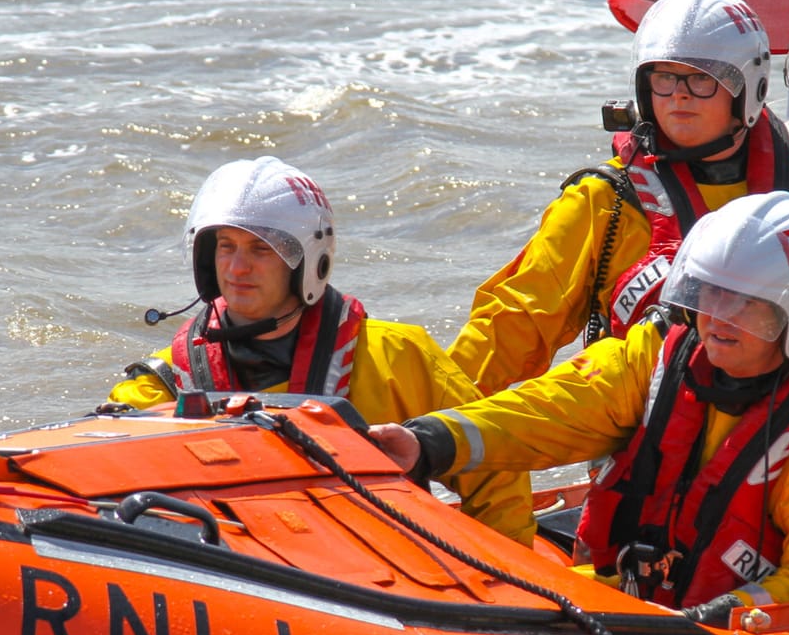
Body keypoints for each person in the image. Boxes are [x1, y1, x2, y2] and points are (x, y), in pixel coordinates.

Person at [371, 192, 789, 615]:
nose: (717, 318)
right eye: (708, 294)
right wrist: (429, 440)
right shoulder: (661, 355)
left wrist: (714, 620)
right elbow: (556, 408)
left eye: (745, 305)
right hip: (646, 603)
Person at [448, 0, 789, 398]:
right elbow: (513, 324)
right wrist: (435, 419)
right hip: (653, 447)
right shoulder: (602, 203)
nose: (678, 96)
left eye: (701, 79)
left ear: (747, 88)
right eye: (663, 78)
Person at [110, 155, 536, 545]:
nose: (237, 269)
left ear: (306, 263)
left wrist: (509, 586)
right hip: (251, 582)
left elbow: (495, 480)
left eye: (261, 249)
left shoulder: (397, 356)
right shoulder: (165, 384)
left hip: (386, 576)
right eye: (226, 246)